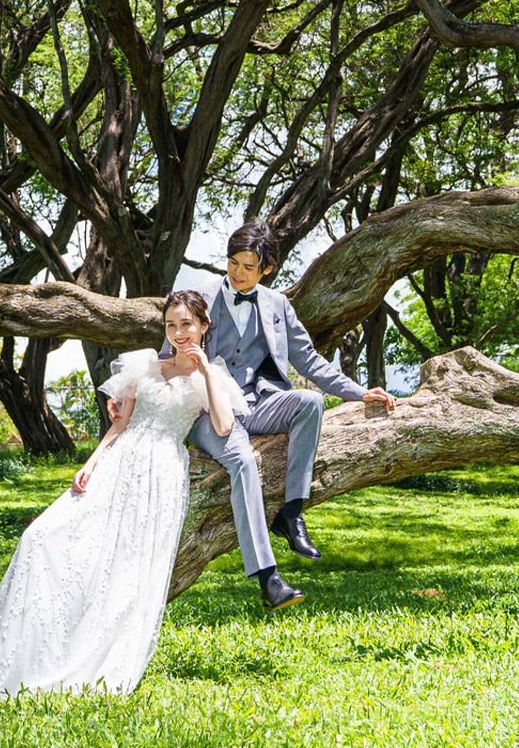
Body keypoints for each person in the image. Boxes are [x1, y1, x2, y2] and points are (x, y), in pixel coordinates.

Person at [0, 291, 243, 698]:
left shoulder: (212, 379)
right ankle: (32, 649)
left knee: (128, 566)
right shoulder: (146, 365)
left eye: (186, 324)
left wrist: (205, 372)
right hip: (119, 463)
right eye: (171, 325)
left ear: (203, 326)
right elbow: (119, 426)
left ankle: (98, 651)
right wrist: (91, 463)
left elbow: (224, 426)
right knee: (41, 536)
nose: (178, 333)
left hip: (161, 475)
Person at [170, 221, 397, 610]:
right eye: (233, 263)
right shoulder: (201, 298)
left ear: (267, 269)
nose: (238, 272)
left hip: (259, 402)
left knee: (309, 403)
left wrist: (360, 392)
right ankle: (268, 579)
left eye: (248, 266)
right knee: (243, 461)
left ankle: (291, 513)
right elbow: (167, 353)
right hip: (211, 409)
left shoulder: (278, 305)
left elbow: (309, 360)